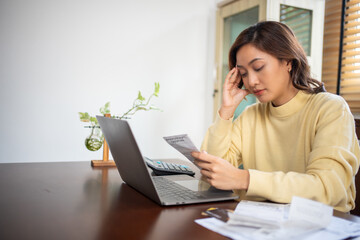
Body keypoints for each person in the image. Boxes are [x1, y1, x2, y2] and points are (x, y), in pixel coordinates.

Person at [192, 21, 360, 212]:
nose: (252, 81)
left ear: (288, 61)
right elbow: (211, 175)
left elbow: (327, 188)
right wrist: (226, 111)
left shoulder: (331, 108)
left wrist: (244, 179)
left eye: (259, 67)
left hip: (318, 225)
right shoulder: (251, 115)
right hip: (257, 221)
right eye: (244, 74)